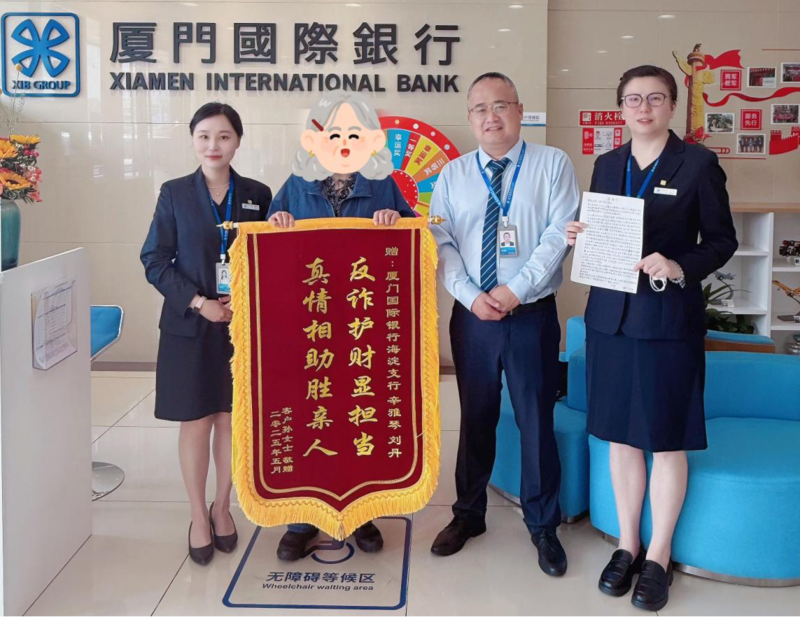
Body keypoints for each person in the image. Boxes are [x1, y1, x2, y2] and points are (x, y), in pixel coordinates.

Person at [566, 65, 737, 611]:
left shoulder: (698, 164)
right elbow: (604, 231)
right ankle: (628, 544)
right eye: (634, 99)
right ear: (621, 108)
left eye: (656, 98)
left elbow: (722, 240)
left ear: (672, 106)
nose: (644, 108)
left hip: (666, 319)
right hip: (610, 319)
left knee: (665, 439)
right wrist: (580, 236)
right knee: (619, 437)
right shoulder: (607, 163)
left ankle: (659, 554)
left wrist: (679, 265)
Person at [429, 72, 580, 577]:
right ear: (470, 117)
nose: (490, 117)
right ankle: (468, 514)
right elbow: (442, 243)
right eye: (480, 109)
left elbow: (559, 234)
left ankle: (543, 524)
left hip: (531, 313)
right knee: (475, 415)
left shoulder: (552, 164)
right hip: (473, 317)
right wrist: (471, 297)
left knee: (536, 419)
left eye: (500, 106)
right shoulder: (452, 175)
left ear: (519, 110)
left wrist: (515, 289)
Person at [267, 92, 416, 561]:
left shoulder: (383, 184)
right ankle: (302, 519)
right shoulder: (297, 182)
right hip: (308, 325)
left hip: (360, 328)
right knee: (311, 415)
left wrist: (396, 221)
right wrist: (277, 221)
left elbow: (414, 242)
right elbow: (268, 239)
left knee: (357, 416)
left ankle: (361, 514)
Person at [141, 102, 273, 565]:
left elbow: (273, 257)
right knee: (196, 419)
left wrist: (246, 299)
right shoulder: (174, 193)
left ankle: (222, 507)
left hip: (242, 326)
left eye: (223, 136)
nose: (213, 145)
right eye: (204, 136)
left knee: (233, 418)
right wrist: (201, 303)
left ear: (238, 141)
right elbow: (154, 260)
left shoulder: (258, 194)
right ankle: (198, 515)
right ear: (193, 140)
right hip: (189, 325)